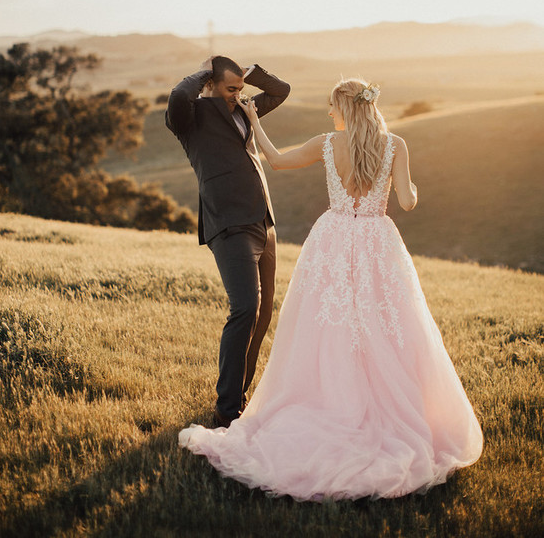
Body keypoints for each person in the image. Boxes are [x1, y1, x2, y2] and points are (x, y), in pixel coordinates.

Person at [178, 78, 483, 501]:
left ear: (344, 110)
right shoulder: (396, 144)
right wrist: (410, 189)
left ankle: (331, 400)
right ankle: (384, 406)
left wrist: (252, 120)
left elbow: (278, 161)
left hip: (334, 241)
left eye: (331, 107)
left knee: (329, 326)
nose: (328, 114)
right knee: (387, 325)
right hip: (378, 243)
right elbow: (409, 201)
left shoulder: (327, 143)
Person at [165, 55, 290, 427]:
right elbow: (176, 96)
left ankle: (240, 394)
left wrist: (249, 75)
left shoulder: (243, 107)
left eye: (241, 89)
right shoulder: (191, 117)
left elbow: (281, 91)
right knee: (244, 309)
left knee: (264, 310)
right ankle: (226, 408)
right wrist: (205, 71)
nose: (238, 95)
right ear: (210, 85)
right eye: (230, 88)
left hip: (263, 221)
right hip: (229, 224)